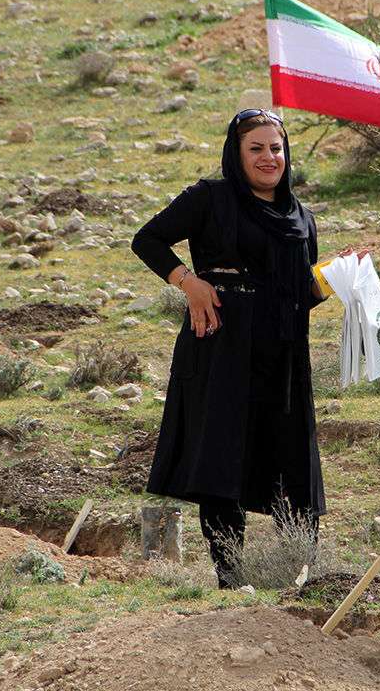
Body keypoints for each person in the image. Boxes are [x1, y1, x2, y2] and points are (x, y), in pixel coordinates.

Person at [131, 109, 326, 588]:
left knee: (291, 458)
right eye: (256, 148)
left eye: (276, 148)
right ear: (236, 154)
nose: (268, 157)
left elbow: (299, 294)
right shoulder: (211, 198)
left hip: (281, 355)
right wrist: (188, 282)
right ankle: (231, 578)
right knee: (224, 459)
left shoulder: (301, 217)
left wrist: (340, 279)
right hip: (220, 346)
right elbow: (148, 240)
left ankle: (298, 572)